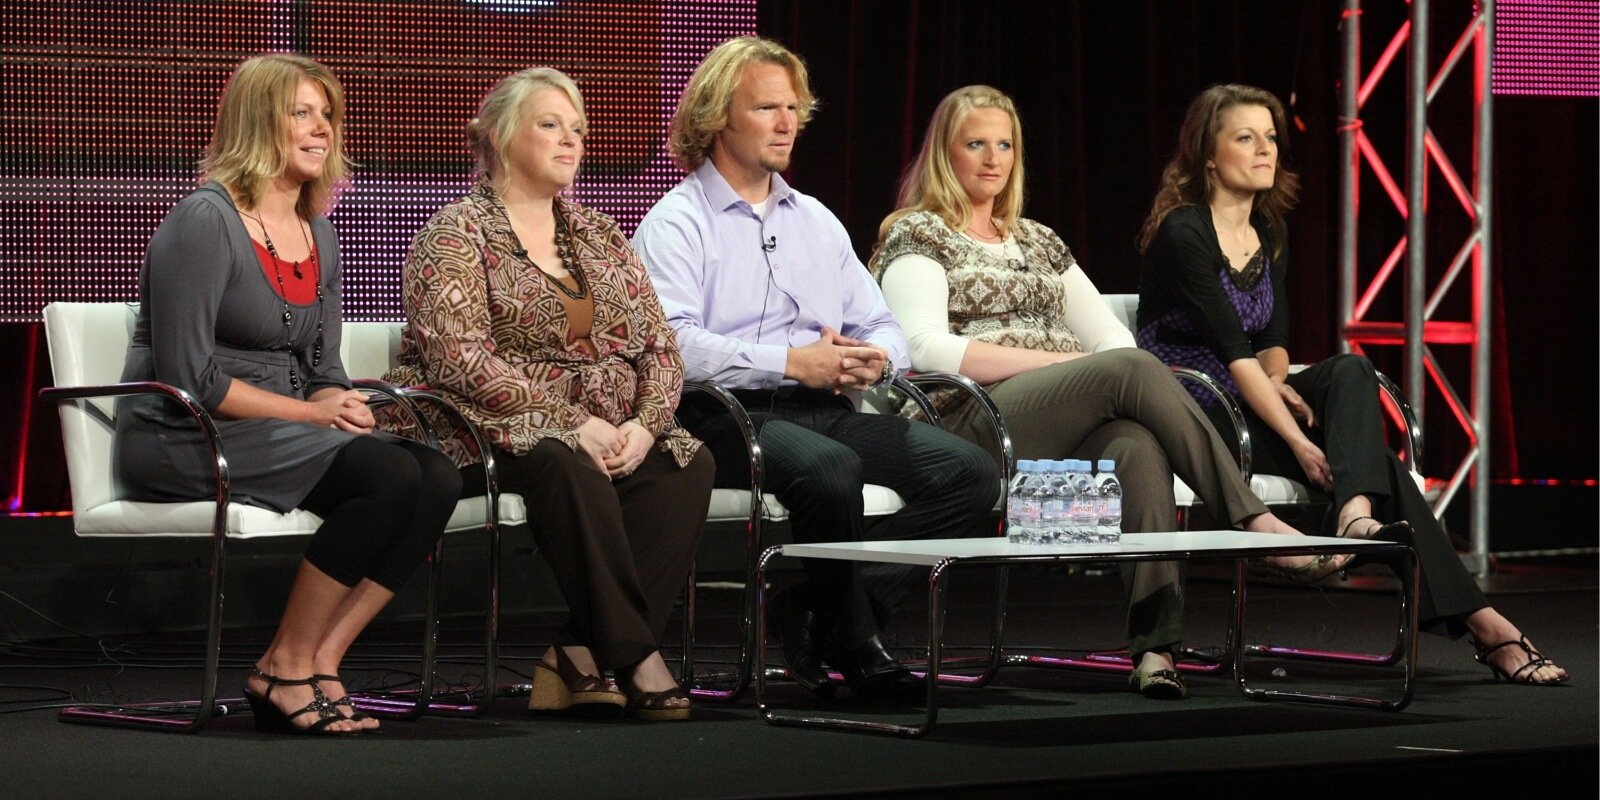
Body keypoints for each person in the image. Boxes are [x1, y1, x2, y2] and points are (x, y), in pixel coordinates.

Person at [868, 85, 1331, 700]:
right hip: (966, 425)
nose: (992, 159)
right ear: (942, 155)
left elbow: (1110, 338)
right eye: (974, 144)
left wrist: (1081, 366)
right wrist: (1062, 361)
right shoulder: (918, 235)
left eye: (1004, 144)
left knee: (1137, 445)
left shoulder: (1039, 240)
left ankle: (1155, 650)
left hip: (1054, 419)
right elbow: (926, 351)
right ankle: (1250, 520)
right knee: (1130, 370)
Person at [1135, 83, 1567, 686]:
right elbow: (1234, 355)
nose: (1265, 150)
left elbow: (1272, 343)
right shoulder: (1185, 231)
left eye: (1270, 138)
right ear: (1208, 154)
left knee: (1350, 368)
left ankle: (1357, 514)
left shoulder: (1267, 230)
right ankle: (1486, 624)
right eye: (1245, 137)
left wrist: (1280, 381)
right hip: (1197, 409)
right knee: (1381, 465)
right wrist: (1302, 441)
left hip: (1252, 396)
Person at [633, 37, 1000, 698]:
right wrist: (791, 362)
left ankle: (821, 609)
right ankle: (859, 648)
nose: (786, 124)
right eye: (767, 108)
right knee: (832, 471)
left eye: (793, 109)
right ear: (718, 117)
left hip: (827, 408)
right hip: (723, 416)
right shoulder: (677, 223)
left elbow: (884, 324)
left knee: (968, 473)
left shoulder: (816, 221)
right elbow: (673, 349)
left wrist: (876, 357)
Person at [114, 54, 461, 735]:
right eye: (301, 113)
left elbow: (325, 367)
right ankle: (283, 662)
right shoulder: (203, 222)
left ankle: (319, 661)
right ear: (256, 122)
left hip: (279, 430)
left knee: (435, 475)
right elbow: (193, 380)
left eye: (326, 114)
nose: (321, 129)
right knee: (388, 476)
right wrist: (312, 411)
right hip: (184, 435)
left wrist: (345, 406)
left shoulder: (320, 235)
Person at [383, 67, 711, 721]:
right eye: (551, 125)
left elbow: (659, 348)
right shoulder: (454, 235)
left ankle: (578, 653)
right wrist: (567, 419)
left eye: (579, 129)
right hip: (483, 423)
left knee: (685, 462)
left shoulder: (599, 234)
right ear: (503, 137)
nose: (572, 141)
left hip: (609, 424)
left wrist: (646, 425)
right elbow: (460, 361)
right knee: (568, 459)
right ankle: (639, 657)